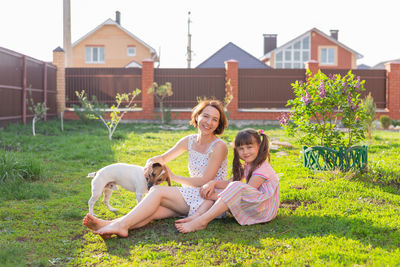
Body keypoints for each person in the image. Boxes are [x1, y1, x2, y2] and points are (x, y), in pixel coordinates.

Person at [82, 99, 229, 238]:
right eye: (206, 116)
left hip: (208, 198)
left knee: (156, 191)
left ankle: (118, 226)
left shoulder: (219, 146)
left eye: (215, 119)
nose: (209, 122)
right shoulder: (189, 141)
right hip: (191, 194)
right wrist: (149, 163)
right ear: (197, 117)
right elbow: (163, 158)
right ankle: (110, 226)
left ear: (218, 124)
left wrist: (173, 176)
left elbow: (205, 180)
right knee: (152, 211)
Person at [175, 128, 280, 233]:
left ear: (259, 147)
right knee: (221, 187)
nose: (245, 152)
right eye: (241, 148)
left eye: (249, 147)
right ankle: (197, 215)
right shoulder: (249, 164)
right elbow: (229, 183)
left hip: (262, 210)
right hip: (255, 205)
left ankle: (202, 221)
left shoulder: (262, 169)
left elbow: (246, 196)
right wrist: (213, 183)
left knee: (235, 187)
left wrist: (214, 195)